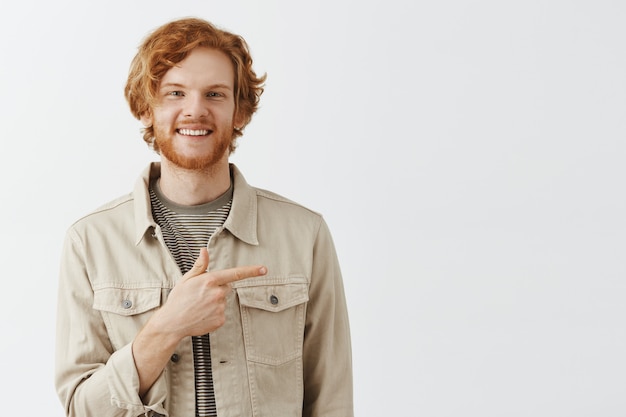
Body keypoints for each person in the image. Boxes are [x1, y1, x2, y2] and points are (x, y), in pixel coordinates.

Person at [54, 17, 353, 417]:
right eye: (175, 93)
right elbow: (81, 408)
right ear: (145, 109)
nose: (195, 110)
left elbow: (331, 399)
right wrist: (167, 327)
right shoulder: (90, 241)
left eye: (214, 94)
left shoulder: (305, 235)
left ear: (240, 112)